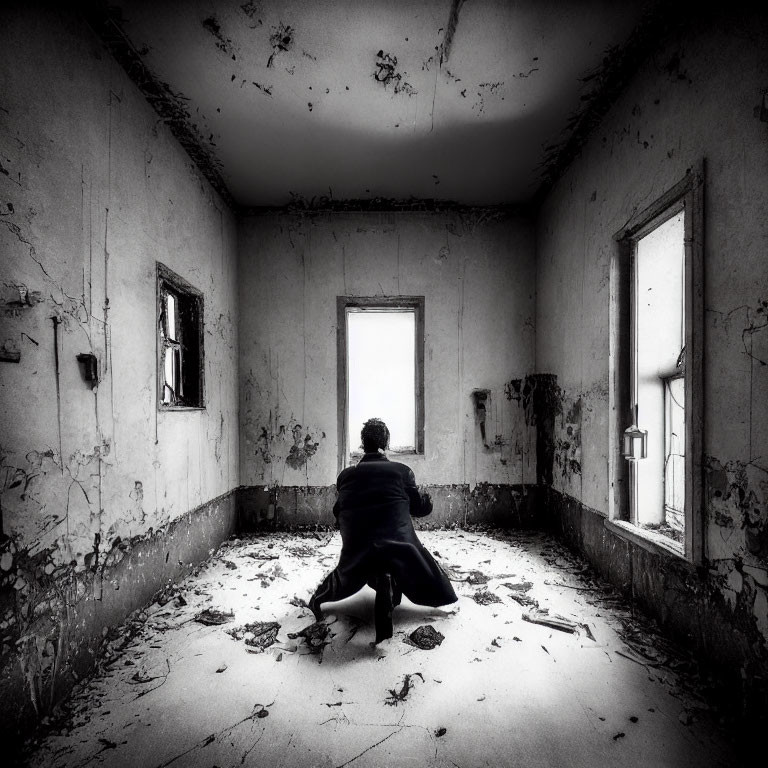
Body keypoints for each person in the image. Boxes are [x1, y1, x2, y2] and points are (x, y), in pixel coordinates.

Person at [308, 418, 458, 643]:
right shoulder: (402, 472)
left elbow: (338, 512)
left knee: (365, 553)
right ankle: (389, 581)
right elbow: (421, 509)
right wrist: (427, 498)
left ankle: (379, 580)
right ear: (386, 443)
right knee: (405, 552)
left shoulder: (346, 476)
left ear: (363, 444)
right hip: (399, 548)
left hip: (357, 551)